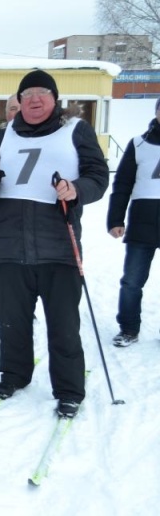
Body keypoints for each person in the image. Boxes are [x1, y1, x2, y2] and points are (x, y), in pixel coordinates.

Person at [0, 70, 109, 418]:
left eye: (43, 93)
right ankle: (14, 375)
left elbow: (98, 175)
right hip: (9, 246)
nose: (35, 99)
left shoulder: (75, 130)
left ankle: (68, 388)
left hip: (59, 248)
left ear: (55, 99)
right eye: (28, 93)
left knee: (63, 325)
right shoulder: (2, 137)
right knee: (12, 321)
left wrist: (77, 189)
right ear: (19, 101)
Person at [106, 98, 160, 348]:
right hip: (143, 221)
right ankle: (128, 328)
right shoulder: (138, 144)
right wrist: (115, 219)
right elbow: (122, 185)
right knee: (132, 280)